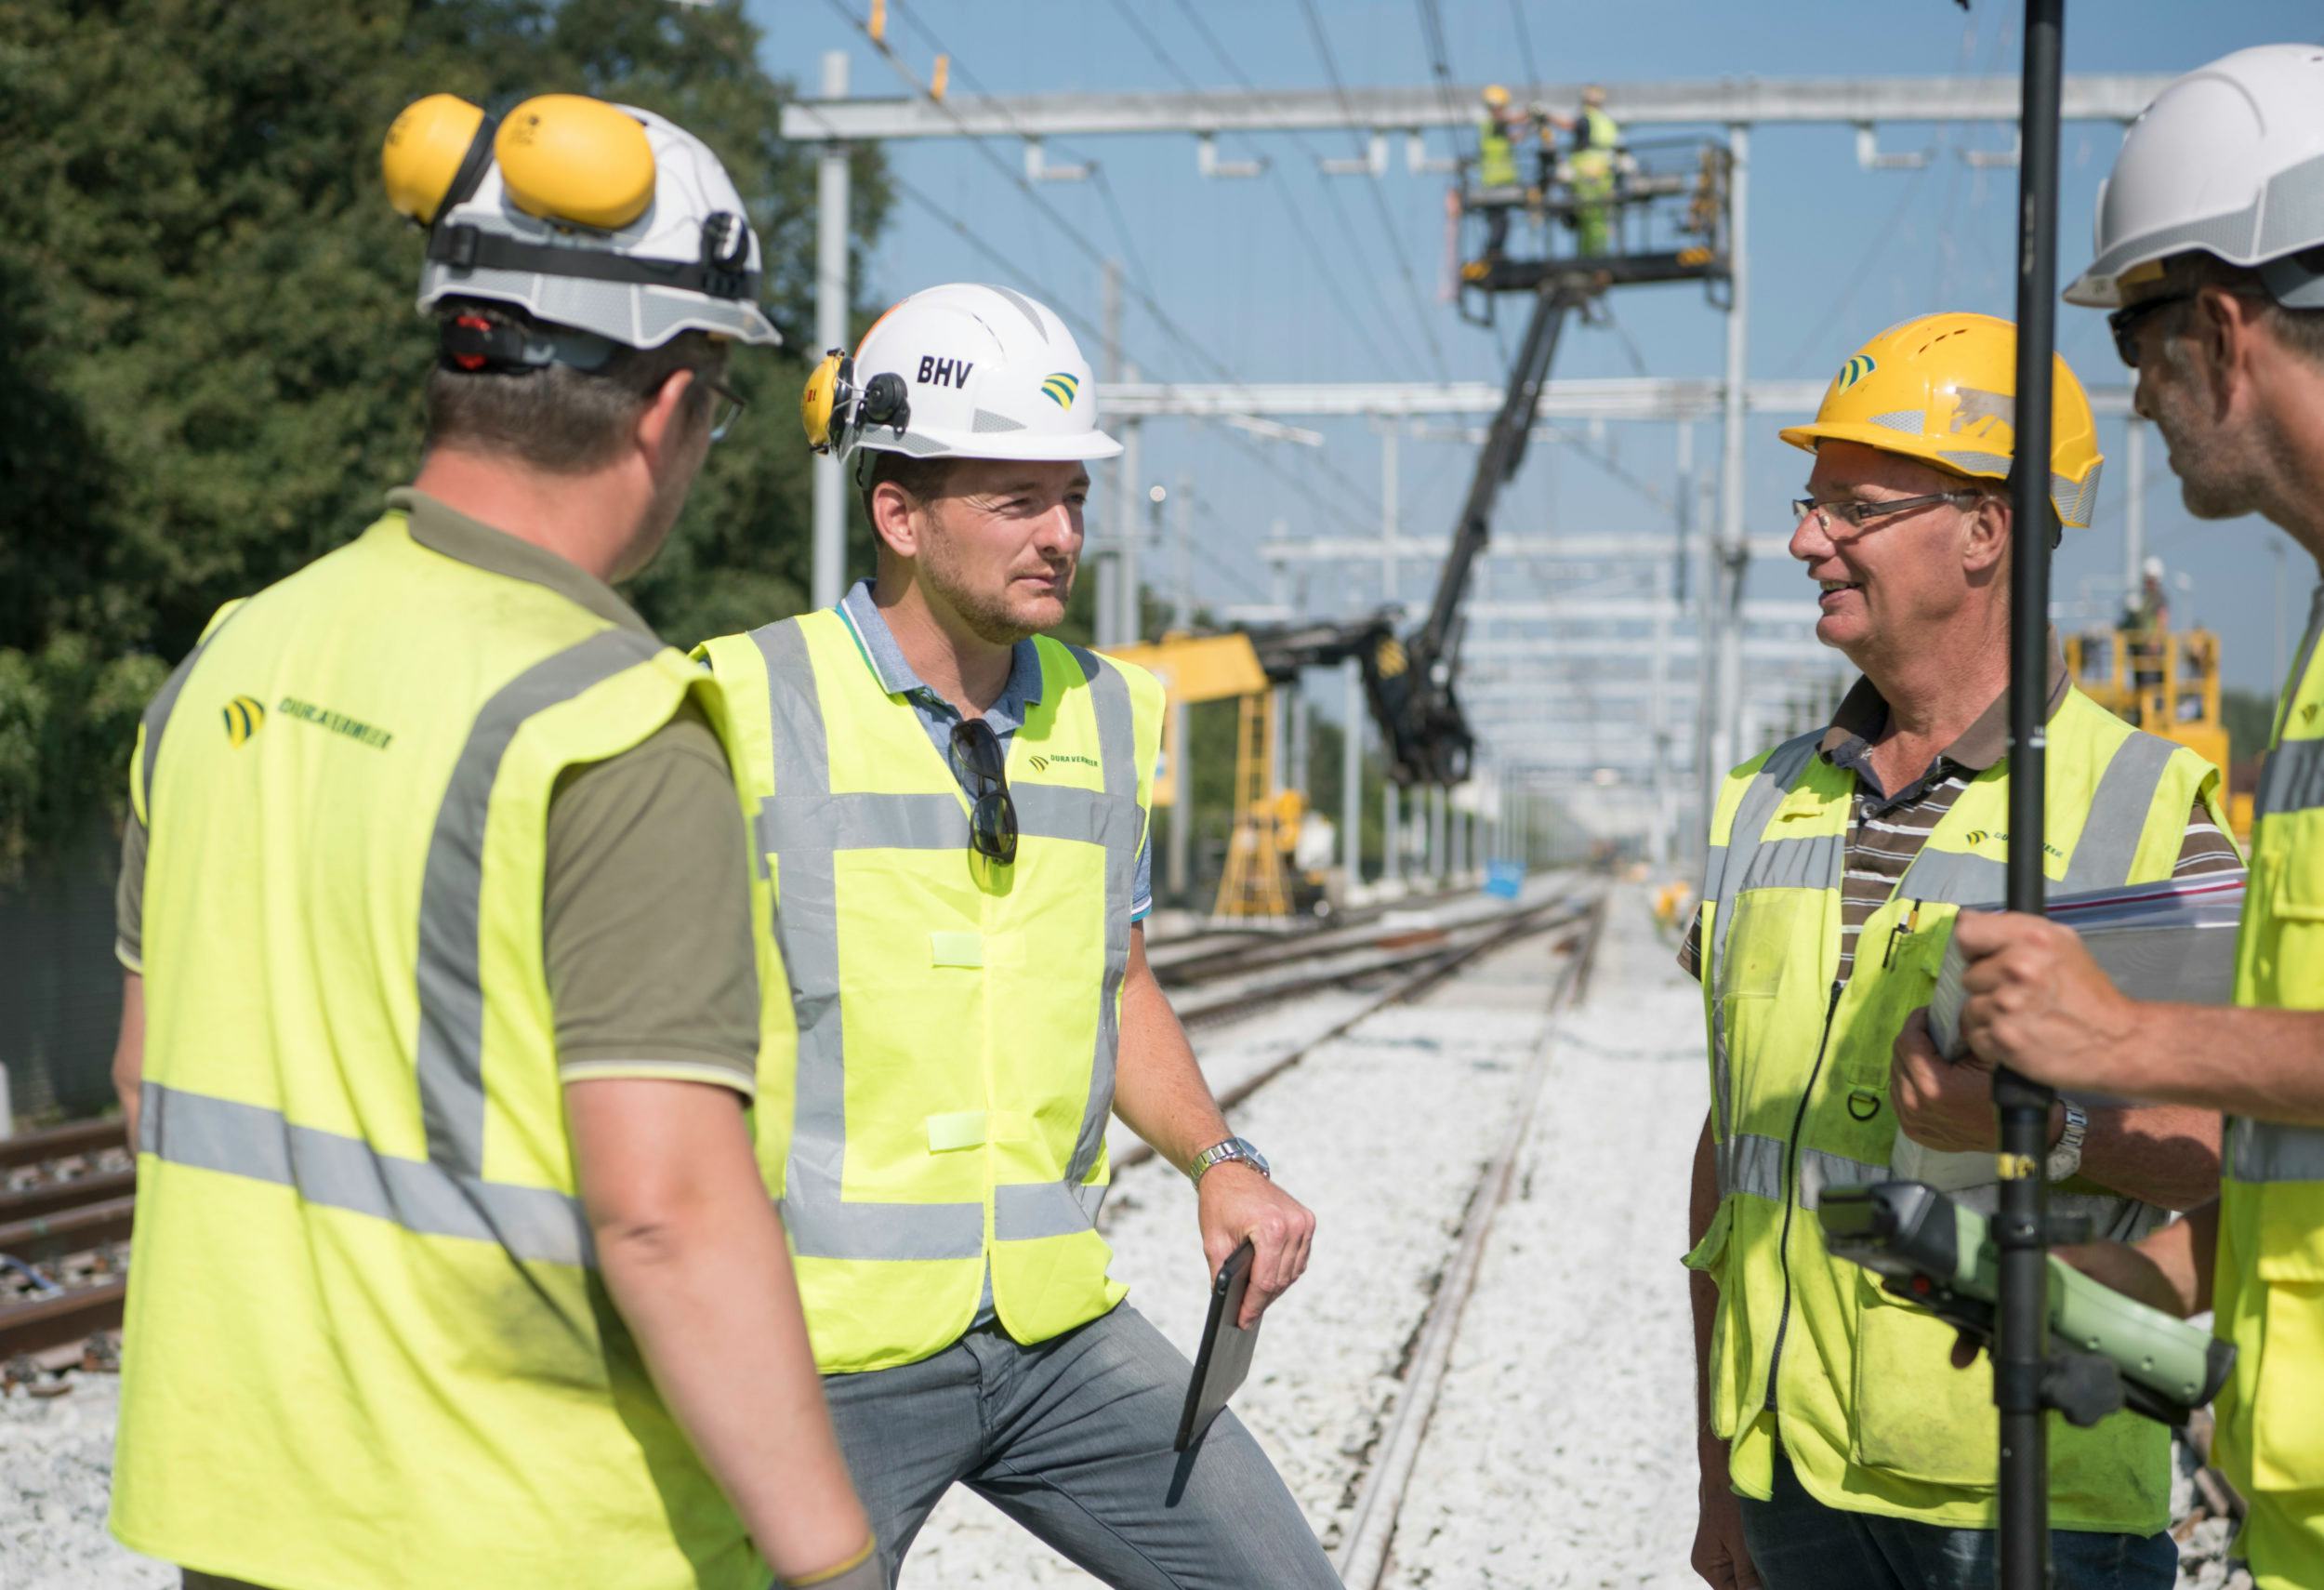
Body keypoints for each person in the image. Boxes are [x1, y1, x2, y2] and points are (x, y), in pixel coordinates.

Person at [105, 92, 876, 1590]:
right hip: (535, 1533)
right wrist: (833, 1556)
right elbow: (664, 1209)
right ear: (671, 406)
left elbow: (150, 1078)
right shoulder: (614, 721)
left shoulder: (227, 662)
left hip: (244, 1513)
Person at [694, 282, 1337, 1589]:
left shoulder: (1110, 715)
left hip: (1055, 1331)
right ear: (899, 513)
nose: (1063, 534)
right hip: (825, 1349)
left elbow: (1122, 980)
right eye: (1017, 499)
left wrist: (1220, 1157)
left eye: (1076, 498)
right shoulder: (739, 702)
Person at [1683, 312, 2241, 1590]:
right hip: (1792, 1482)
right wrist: (1719, 1467)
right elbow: (1733, 1146)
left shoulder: (2142, 812)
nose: (1804, 540)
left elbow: (2238, 1156)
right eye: (1810, 503)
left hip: (2026, 1500)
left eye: (1853, 507)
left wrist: (2038, 1128)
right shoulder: (1762, 803)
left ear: (1986, 528)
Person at [1926, 43, 2324, 1590]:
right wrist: (2122, 1283)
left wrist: (2119, 1044)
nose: (2136, 406)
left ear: (2223, 333)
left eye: (2144, 351)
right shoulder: (2311, 646)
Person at [1548, 84, 1622, 257]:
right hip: (1604, 176)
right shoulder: (1607, 122)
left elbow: (1569, 125)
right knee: (1599, 217)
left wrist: (1547, 116)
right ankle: (1597, 254)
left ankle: (1589, 257)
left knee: (1587, 215)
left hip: (1587, 174)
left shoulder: (1587, 117)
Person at [1473, 83, 1525, 262]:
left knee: (1501, 221)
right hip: (1494, 184)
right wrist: (1529, 114)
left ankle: (1495, 253)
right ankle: (1493, 253)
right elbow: (1508, 122)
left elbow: (1514, 136)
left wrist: (1530, 126)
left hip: (1500, 184)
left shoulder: (1497, 127)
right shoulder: (1492, 124)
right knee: (1498, 222)